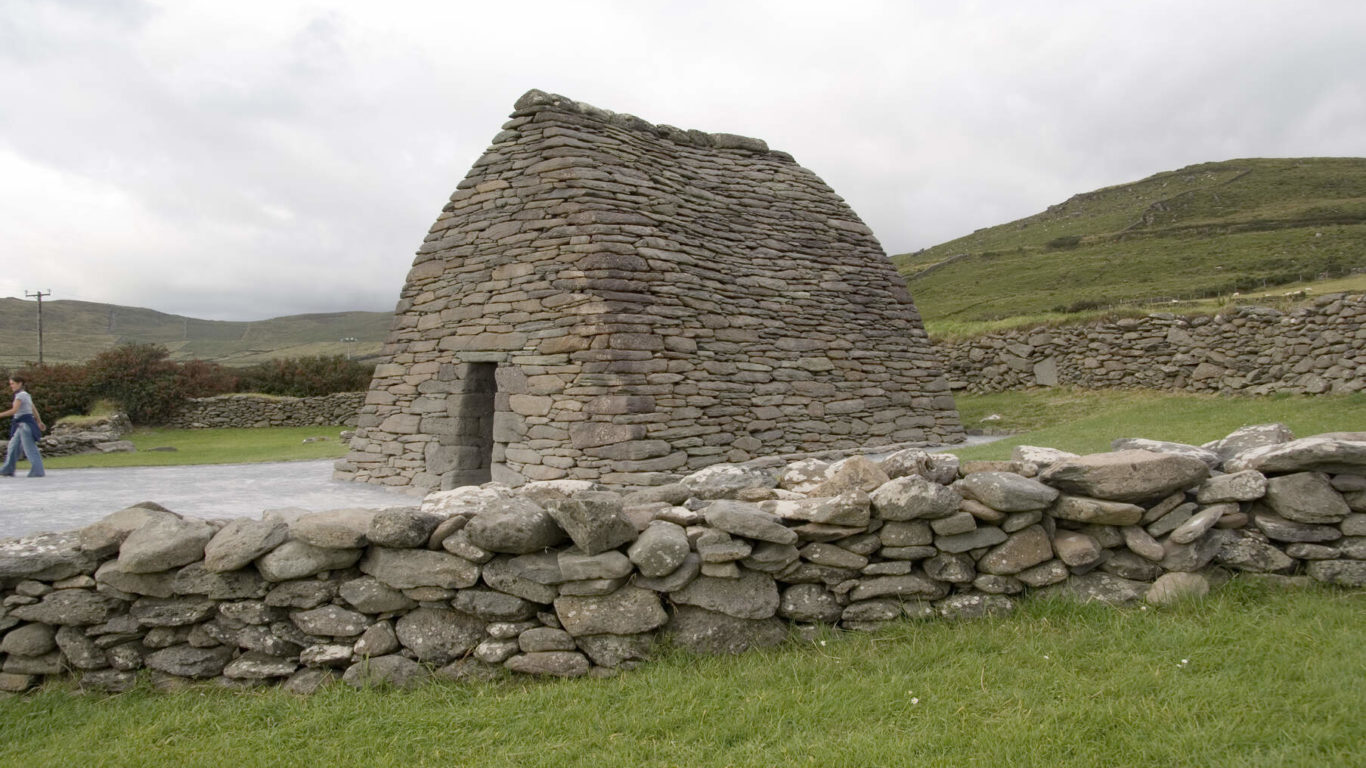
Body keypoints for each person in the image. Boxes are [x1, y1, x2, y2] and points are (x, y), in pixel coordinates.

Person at [0, 375, 46, 477]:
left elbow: (14, 410)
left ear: (20, 383)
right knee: (13, 447)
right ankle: (7, 469)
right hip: (21, 425)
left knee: (29, 448)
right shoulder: (26, 395)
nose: (11, 386)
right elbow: (33, 409)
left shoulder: (20, 395)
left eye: (13, 383)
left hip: (24, 425)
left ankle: (37, 471)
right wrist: (39, 421)